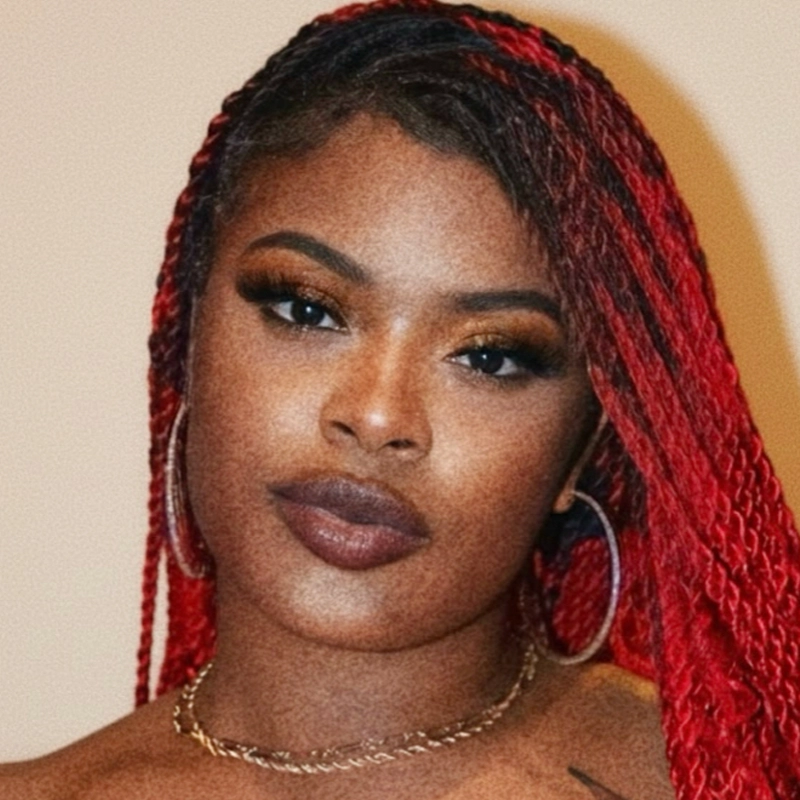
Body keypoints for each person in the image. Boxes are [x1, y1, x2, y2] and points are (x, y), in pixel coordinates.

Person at [2, 1, 798, 797]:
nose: (379, 417)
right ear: (189, 339)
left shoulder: (737, 780)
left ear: (585, 446)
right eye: (308, 309)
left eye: (489, 358)